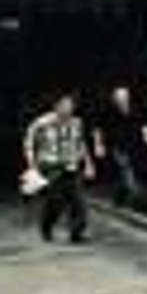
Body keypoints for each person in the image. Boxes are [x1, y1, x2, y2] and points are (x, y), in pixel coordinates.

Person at [24, 91, 95, 243]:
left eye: (71, 105)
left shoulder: (77, 122)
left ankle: (77, 233)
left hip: (72, 165)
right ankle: (46, 226)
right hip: (51, 166)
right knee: (55, 201)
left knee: (78, 201)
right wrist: (31, 164)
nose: (69, 108)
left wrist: (88, 163)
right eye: (65, 105)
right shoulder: (41, 123)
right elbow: (29, 143)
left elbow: (81, 144)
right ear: (56, 106)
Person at [93, 85, 147, 208]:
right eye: (119, 98)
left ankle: (119, 197)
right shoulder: (108, 111)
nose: (122, 100)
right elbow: (98, 129)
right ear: (114, 99)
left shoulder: (136, 109)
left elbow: (145, 124)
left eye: (124, 97)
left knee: (129, 172)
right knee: (125, 168)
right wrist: (98, 145)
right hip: (117, 146)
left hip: (135, 145)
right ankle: (138, 197)